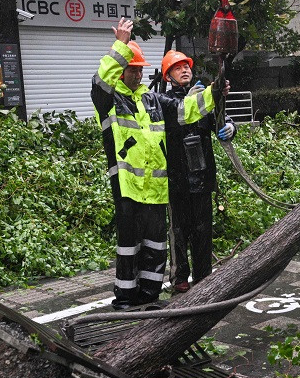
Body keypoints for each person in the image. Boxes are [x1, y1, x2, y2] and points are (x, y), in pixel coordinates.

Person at [92, 19, 221, 310]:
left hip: (155, 189)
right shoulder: (109, 100)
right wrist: (121, 46)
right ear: (121, 71)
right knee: (130, 248)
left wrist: (213, 93)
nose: (137, 74)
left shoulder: (152, 99)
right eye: (132, 69)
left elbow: (185, 110)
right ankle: (126, 299)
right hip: (127, 188)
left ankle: (150, 296)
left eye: (139, 69)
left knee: (155, 247)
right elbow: (100, 79)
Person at [161, 50, 236, 293]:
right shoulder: (163, 102)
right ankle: (180, 277)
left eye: (187, 67)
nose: (185, 70)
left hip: (202, 177)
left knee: (203, 230)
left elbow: (222, 120)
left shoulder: (204, 100)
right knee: (180, 231)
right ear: (167, 77)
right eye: (177, 68)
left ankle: (203, 277)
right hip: (177, 179)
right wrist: (206, 96)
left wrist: (230, 128)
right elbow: (181, 110)